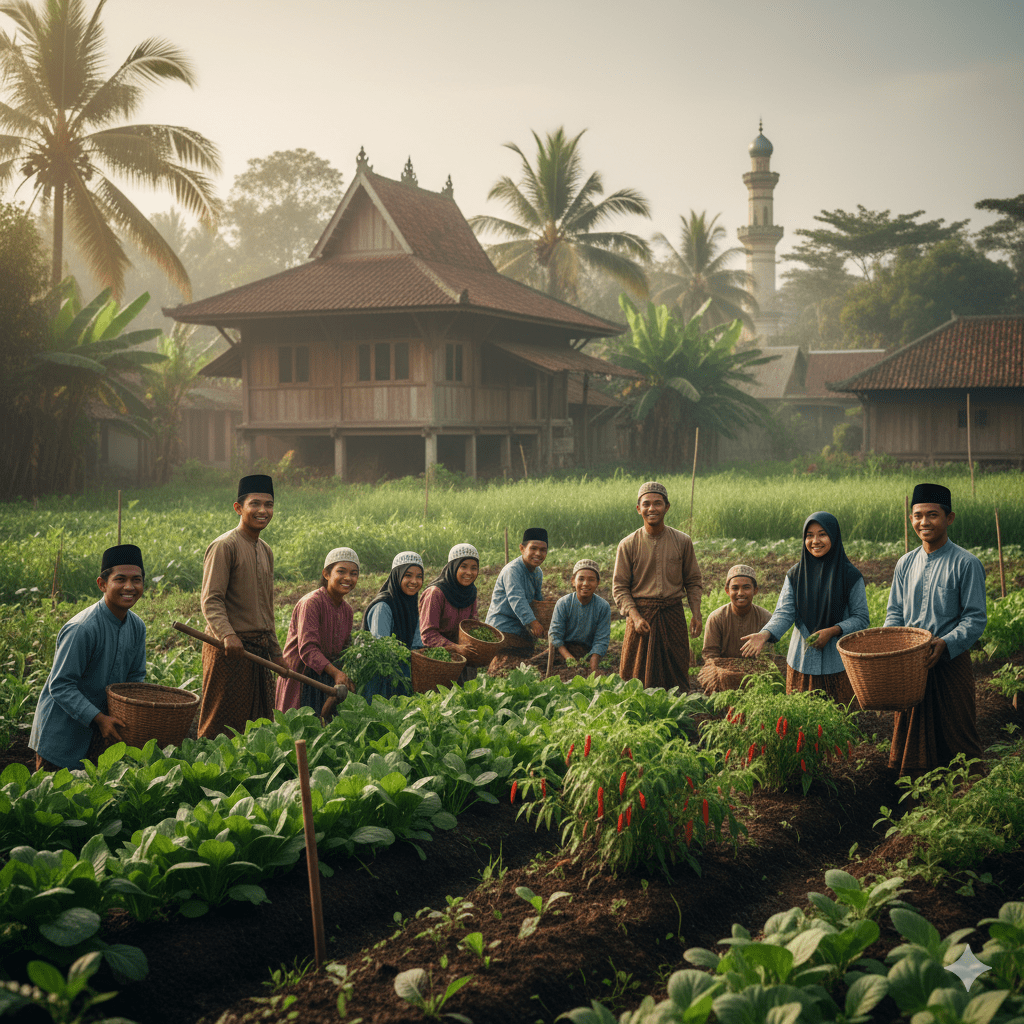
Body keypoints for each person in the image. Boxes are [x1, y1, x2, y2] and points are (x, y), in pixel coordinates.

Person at [885, 483, 986, 777]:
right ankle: (916, 797)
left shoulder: (966, 563)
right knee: (911, 735)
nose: (924, 522)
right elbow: (895, 612)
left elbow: (975, 618)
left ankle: (966, 792)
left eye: (932, 515)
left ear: (949, 518)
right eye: (917, 516)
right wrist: (891, 646)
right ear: (911, 519)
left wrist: (946, 643)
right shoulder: (905, 564)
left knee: (957, 734)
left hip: (950, 664)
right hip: (910, 666)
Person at [29, 545, 146, 771]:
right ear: (102, 584)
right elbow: (61, 685)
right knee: (54, 791)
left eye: (137, 580)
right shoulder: (82, 628)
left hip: (102, 733)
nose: (129, 587)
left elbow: (135, 677)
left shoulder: (137, 627)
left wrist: (131, 712)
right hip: (62, 736)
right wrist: (99, 718)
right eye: (120, 579)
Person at [741, 512, 868, 704]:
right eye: (809, 535)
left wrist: (833, 630)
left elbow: (861, 618)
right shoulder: (795, 574)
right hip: (802, 660)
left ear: (834, 536)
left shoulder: (850, 576)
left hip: (838, 663)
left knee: (839, 716)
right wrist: (765, 634)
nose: (815, 541)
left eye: (822, 534)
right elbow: (785, 612)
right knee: (801, 715)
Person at [199, 474, 288, 739]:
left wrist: (275, 651)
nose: (263, 511)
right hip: (229, 652)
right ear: (239, 508)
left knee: (257, 726)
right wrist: (228, 635)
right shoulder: (224, 546)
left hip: (258, 652)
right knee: (221, 725)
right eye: (255, 504)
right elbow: (211, 600)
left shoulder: (266, 550)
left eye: (269, 505)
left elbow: (266, 608)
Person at [613, 482, 703, 690]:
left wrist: (696, 613)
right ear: (639, 509)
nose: (651, 509)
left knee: (677, 674)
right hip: (642, 617)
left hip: (673, 615)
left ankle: (677, 707)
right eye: (646, 504)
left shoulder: (682, 541)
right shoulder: (628, 544)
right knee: (637, 677)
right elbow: (620, 587)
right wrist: (635, 617)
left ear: (667, 507)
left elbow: (693, 581)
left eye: (657, 503)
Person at [275, 548, 357, 716]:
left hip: (327, 678)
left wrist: (346, 674)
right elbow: (308, 649)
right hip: (302, 677)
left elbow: (345, 649)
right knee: (298, 724)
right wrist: (336, 673)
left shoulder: (347, 610)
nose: (348, 578)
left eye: (353, 573)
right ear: (326, 574)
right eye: (341, 571)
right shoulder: (311, 603)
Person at [697, 565, 774, 693]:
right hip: (722, 672)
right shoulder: (716, 618)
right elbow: (710, 655)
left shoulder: (765, 617)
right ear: (727, 591)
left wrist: (749, 671)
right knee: (714, 675)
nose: (740, 593)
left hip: (754, 672)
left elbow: (767, 657)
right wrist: (726, 671)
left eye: (746, 587)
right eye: (735, 588)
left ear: (755, 590)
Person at [363, 550, 425, 698]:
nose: (414, 581)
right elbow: (381, 649)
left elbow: (416, 643)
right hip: (381, 678)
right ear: (397, 576)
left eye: (419, 576)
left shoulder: (410, 605)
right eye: (408, 575)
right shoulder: (383, 606)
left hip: (402, 675)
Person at [486, 527, 548, 673]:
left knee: (526, 663)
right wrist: (534, 623)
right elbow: (517, 599)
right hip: (502, 627)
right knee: (506, 665)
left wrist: (545, 619)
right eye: (533, 548)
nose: (538, 553)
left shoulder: (537, 572)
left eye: (543, 550)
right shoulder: (512, 570)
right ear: (522, 548)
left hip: (521, 629)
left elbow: (537, 600)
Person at [420, 543, 480, 682]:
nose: (469, 572)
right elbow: (428, 635)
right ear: (453, 566)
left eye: (474, 568)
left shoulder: (470, 592)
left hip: (463, 655)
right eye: (463, 566)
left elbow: (472, 625)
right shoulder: (435, 593)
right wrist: (455, 648)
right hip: (438, 658)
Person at [549, 558, 612, 674]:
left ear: (598, 582)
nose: (586, 584)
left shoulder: (603, 607)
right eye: (581, 579)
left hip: (589, 652)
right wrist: (569, 658)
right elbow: (555, 635)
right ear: (573, 581)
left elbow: (601, 639)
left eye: (591, 580)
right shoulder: (564, 603)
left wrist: (593, 664)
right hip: (563, 650)